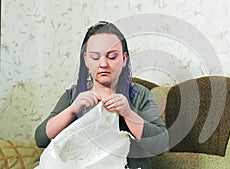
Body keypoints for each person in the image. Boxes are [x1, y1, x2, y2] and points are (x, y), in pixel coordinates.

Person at [35, 21, 169, 168]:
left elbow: (161, 145)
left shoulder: (139, 94)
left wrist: (128, 114)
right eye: (95, 57)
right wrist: (72, 110)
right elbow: (41, 139)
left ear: (124, 59)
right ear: (85, 59)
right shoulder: (73, 96)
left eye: (111, 57)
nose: (103, 64)